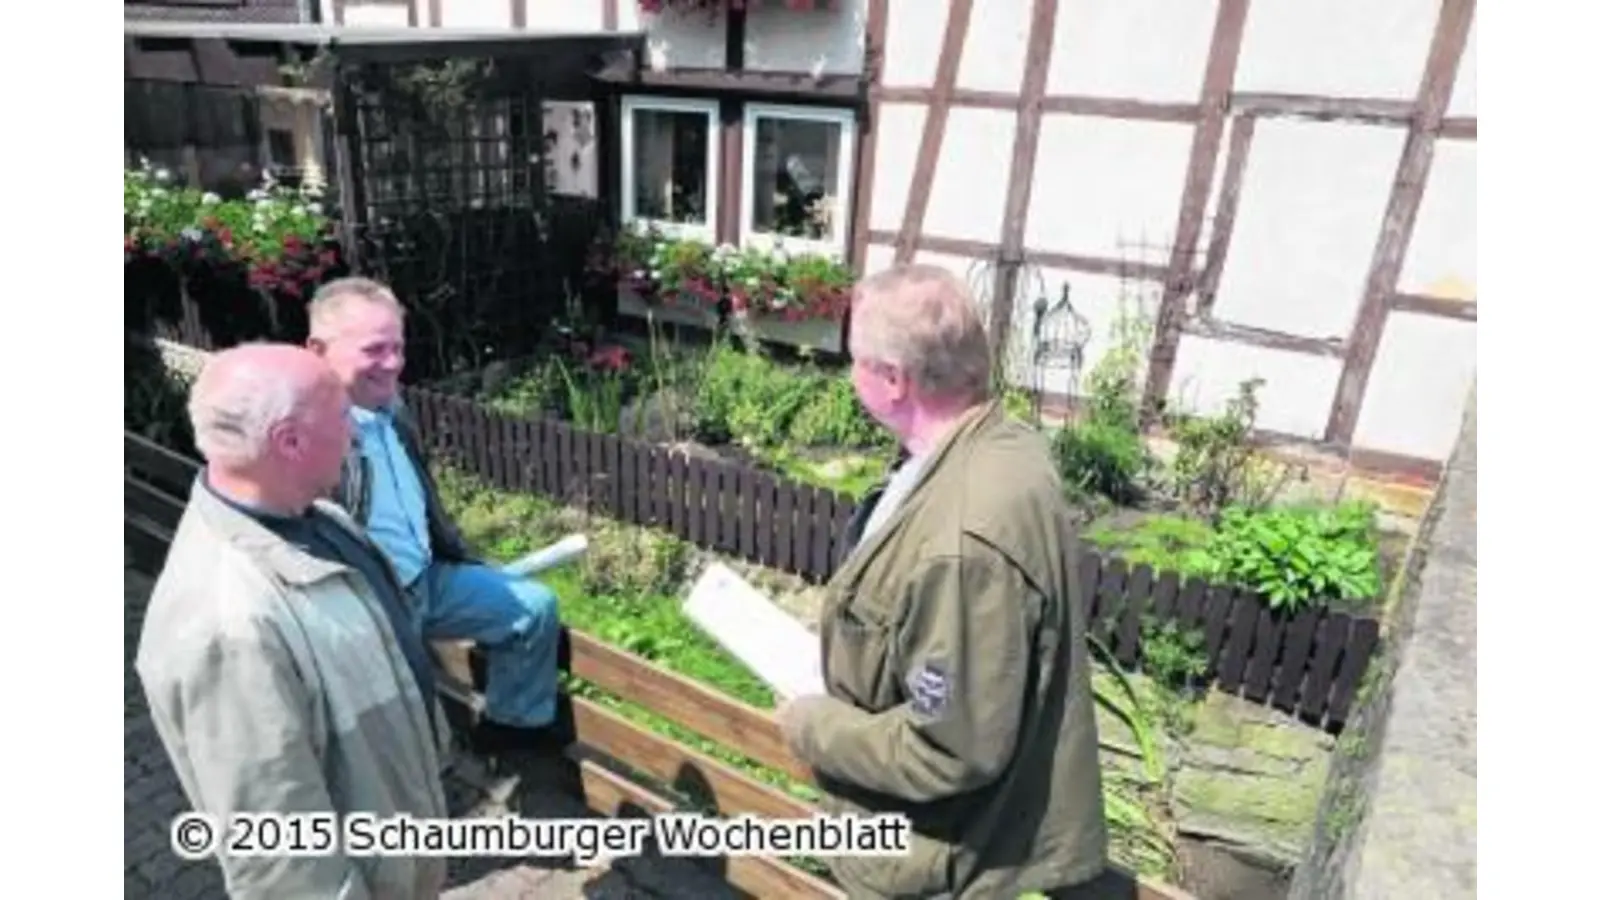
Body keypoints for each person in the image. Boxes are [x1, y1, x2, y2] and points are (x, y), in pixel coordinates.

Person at [774, 264, 1110, 898]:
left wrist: (812, 726)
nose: (849, 375)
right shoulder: (1004, 444)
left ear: (895, 381)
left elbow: (951, 746)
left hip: (931, 857)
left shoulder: (961, 548)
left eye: (856, 360)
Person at [135, 344, 451, 898]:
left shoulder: (318, 519)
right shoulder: (226, 624)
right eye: (341, 418)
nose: (354, 435)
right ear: (290, 441)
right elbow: (280, 857)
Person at [306, 276, 562, 749]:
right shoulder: (307, 436)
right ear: (318, 350)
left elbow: (417, 498)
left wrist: (454, 550)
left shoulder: (392, 409)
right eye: (374, 350)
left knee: (534, 609)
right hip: (372, 607)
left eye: (398, 348)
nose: (394, 364)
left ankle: (509, 731)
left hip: (428, 579)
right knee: (412, 733)